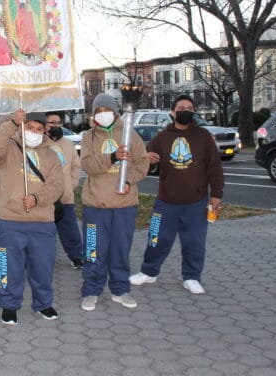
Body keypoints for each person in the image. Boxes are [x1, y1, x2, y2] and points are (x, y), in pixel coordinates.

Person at [129, 94, 224, 295]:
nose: (186, 111)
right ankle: (149, 272)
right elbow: (144, 159)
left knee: (194, 243)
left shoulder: (204, 137)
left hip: (196, 203)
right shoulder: (162, 136)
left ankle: (191, 277)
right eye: (181, 107)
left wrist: (216, 195)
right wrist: (147, 157)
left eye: (190, 108)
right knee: (155, 238)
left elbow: (215, 168)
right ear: (173, 113)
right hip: (165, 202)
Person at [0, 109, 63, 325]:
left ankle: (43, 303)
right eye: (30, 127)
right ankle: (9, 305)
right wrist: (11, 122)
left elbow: (57, 185)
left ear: (45, 131)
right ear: (22, 127)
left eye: (39, 129)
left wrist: (38, 198)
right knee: (8, 266)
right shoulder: (8, 149)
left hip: (42, 222)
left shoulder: (51, 154)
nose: (34, 132)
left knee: (43, 267)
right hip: (10, 220)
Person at [79, 93, 149, 312]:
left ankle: (120, 290)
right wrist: (112, 157)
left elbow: (142, 163)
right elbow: (88, 165)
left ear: (116, 112)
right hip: (95, 206)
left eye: (106, 110)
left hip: (124, 204)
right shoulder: (88, 137)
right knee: (93, 251)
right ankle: (91, 290)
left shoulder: (130, 135)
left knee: (120, 250)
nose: (103, 115)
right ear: (93, 115)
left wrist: (128, 180)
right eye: (98, 112)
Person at [45, 112, 84, 269]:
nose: (55, 125)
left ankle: (76, 257)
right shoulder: (40, 143)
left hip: (65, 197)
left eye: (58, 122)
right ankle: (43, 258)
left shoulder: (68, 145)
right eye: (51, 122)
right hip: (45, 197)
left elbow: (76, 166)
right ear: (45, 124)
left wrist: (71, 184)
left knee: (70, 231)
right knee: (45, 232)